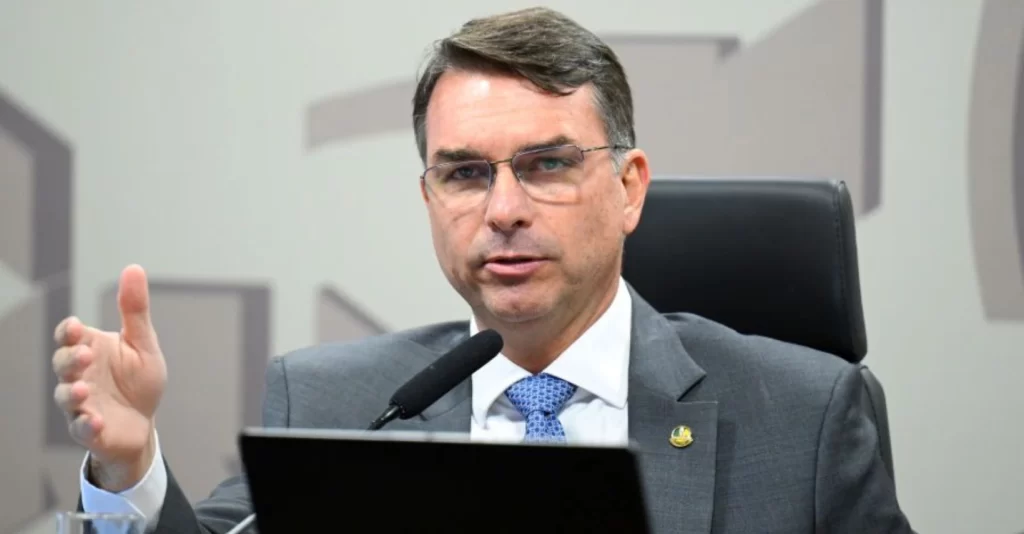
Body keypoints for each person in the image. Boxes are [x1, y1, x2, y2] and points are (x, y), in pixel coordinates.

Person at [51, 6, 913, 534]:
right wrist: (130, 467)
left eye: (546, 164)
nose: (503, 209)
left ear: (628, 188)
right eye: (465, 173)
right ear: (429, 197)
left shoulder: (801, 416)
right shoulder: (338, 406)